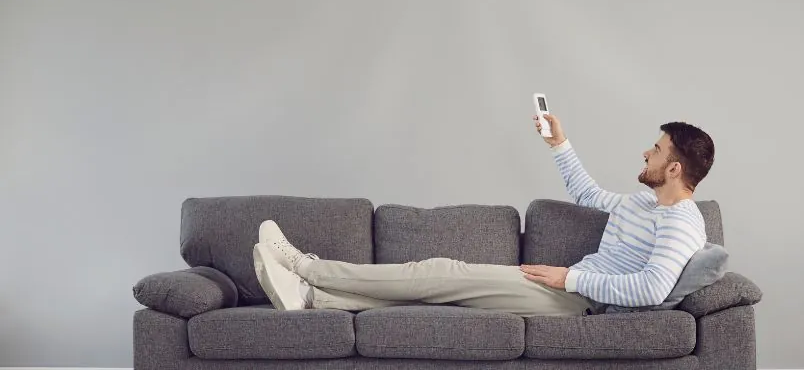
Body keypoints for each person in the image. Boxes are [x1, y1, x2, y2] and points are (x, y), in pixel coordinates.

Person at [251, 114, 715, 317]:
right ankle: (313, 300)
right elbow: (587, 193)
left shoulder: (679, 222)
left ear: (674, 168)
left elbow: (654, 288)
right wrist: (559, 143)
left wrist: (568, 280)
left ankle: (305, 266)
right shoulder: (643, 204)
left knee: (438, 273)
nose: (645, 153)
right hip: (568, 288)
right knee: (441, 291)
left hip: (577, 301)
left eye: (655, 150)